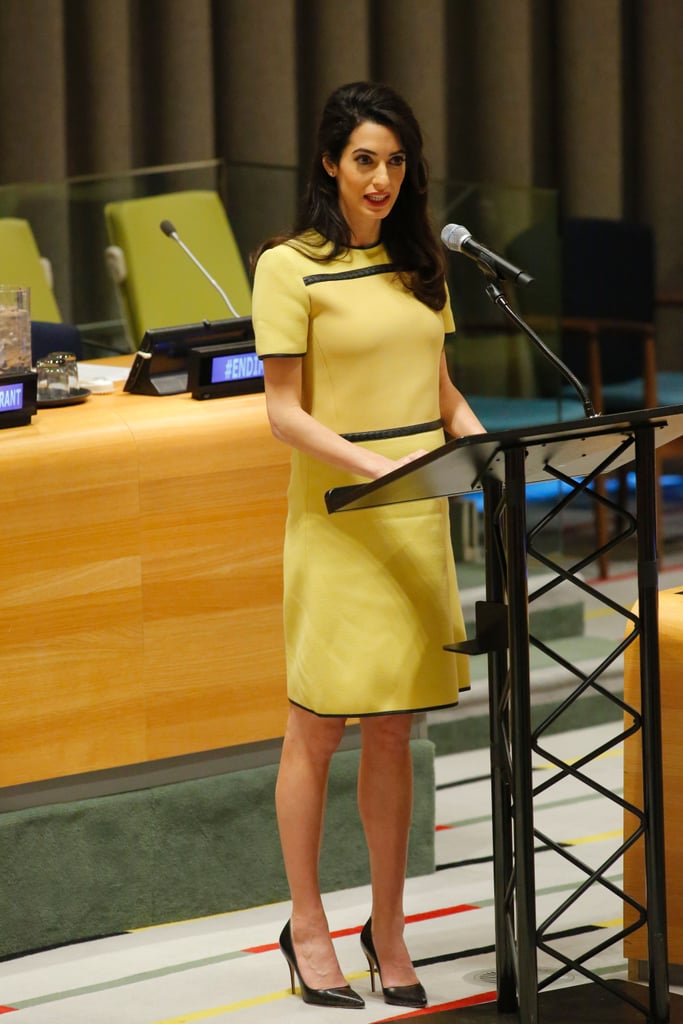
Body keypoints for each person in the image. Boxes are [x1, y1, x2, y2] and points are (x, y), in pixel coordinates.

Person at [251, 80, 485, 1010]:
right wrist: (376, 466)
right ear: (327, 163)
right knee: (319, 726)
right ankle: (305, 925)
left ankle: (386, 929)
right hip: (341, 521)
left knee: (394, 730)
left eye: (394, 162)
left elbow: (442, 393)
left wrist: (478, 447)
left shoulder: (420, 262)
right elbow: (280, 413)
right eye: (363, 160)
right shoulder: (286, 266)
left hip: (417, 518)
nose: (381, 178)